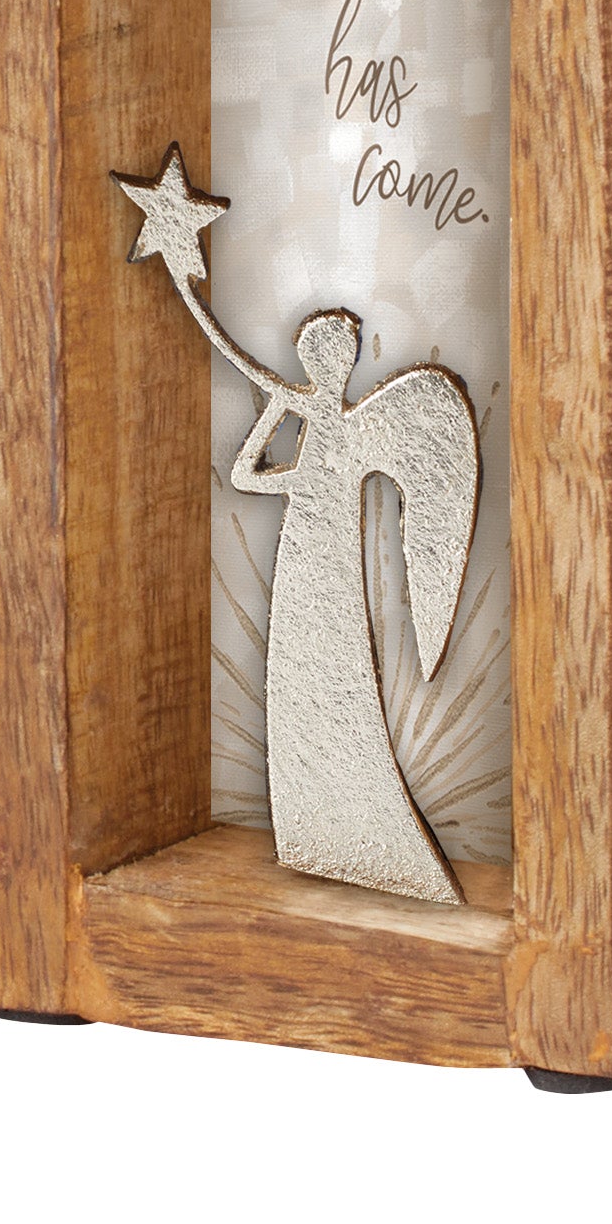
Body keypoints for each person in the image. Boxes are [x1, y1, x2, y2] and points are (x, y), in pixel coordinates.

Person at [230, 307, 479, 903]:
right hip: (299, 555)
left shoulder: (357, 422)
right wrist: (278, 419)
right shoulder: (304, 411)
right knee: (297, 672)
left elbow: (317, 473)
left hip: (332, 557)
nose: (327, 363)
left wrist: (299, 440)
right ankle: (308, 831)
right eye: (319, 353)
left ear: (346, 361)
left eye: (334, 353)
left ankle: (368, 831)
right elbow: (247, 476)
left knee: (339, 667)